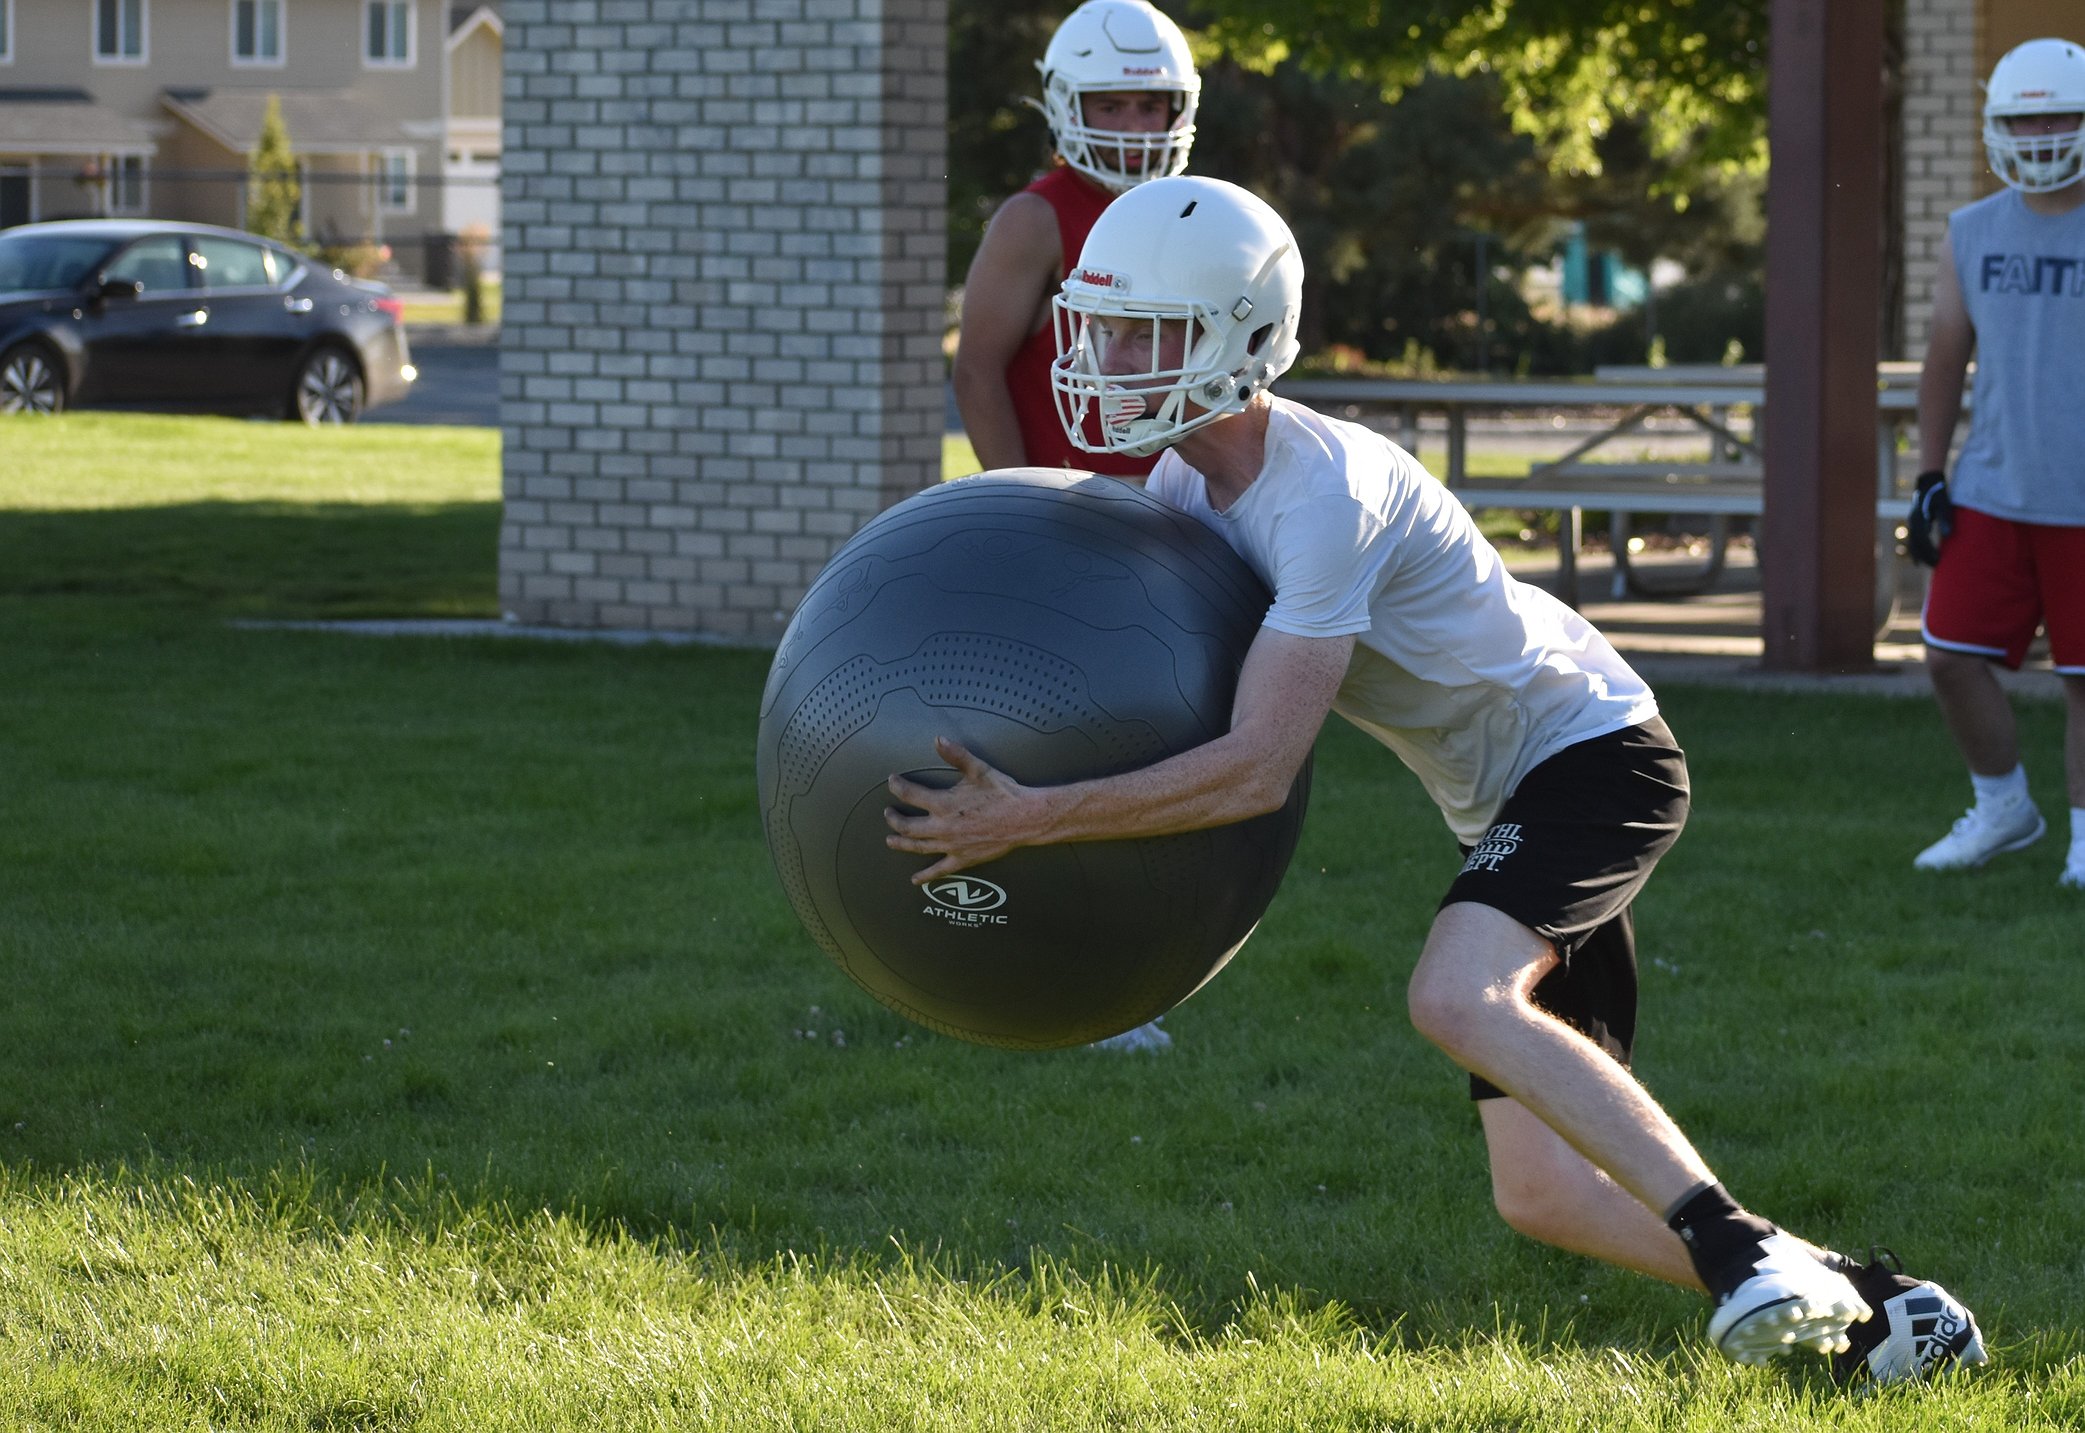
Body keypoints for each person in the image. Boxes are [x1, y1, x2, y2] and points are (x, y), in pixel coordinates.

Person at [885, 175, 1988, 1383]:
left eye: (1145, 334)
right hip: (1508, 795)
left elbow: (1255, 768)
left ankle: (1735, 1243)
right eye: (1100, 330)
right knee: (1540, 1192)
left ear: (1243, 341)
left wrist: (1032, 815)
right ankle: (1877, 1310)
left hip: (1595, 755)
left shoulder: (1323, 498)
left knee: (1456, 994)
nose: (1106, 362)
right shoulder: (1189, 482)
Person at [1908, 36, 2085, 888]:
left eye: (2056, 116)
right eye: (2023, 119)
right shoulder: (1970, 230)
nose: (2039, 134)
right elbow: (1945, 356)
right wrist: (1927, 475)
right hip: (1992, 489)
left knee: (2083, 679)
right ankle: (2003, 805)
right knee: (1947, 654)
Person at [950, 0, 1199, 480]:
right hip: (1072, 497)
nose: (1134, 127)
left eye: (1150, 106)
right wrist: (1022, 498)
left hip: (1184, 498)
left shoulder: (1193, 208)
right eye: (1110, 106)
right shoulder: (1033, 218)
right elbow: (976, 373)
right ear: (1068, 106)